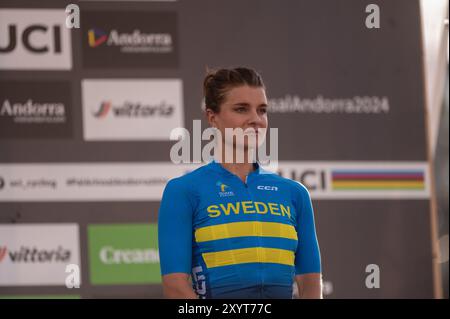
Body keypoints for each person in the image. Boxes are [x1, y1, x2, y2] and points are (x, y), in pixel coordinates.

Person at [158, 67, 322, 299]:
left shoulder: (294, 193)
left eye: (262, 110)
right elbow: (175, 287)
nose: (255, 119)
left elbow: (310, 285)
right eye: (241, 109)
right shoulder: (183, 191)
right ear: (212, 117)